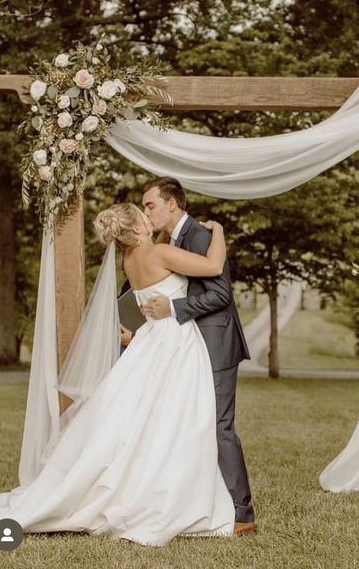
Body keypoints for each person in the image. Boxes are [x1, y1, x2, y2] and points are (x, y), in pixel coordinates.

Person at [0, 203, 236, 546]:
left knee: (142, 418)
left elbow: (148, 279)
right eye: (144, 215)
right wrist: (219, 231)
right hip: (174, 343)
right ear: (138, 228)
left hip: (149, 343)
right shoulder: (161, 253)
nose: (148, 216)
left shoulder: (131, 260)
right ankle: (163, 493)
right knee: (178, 419)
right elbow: (213, 265)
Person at [138, 177, 256, 534]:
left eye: (150, 205)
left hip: (216, 343)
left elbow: (221, 295)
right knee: (195, 425)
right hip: (190, 346)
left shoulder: (200, 236)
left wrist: (173, 308)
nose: (147, 212)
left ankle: (241, 512)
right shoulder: (170, 240)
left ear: (172, 204)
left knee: (219, 427)